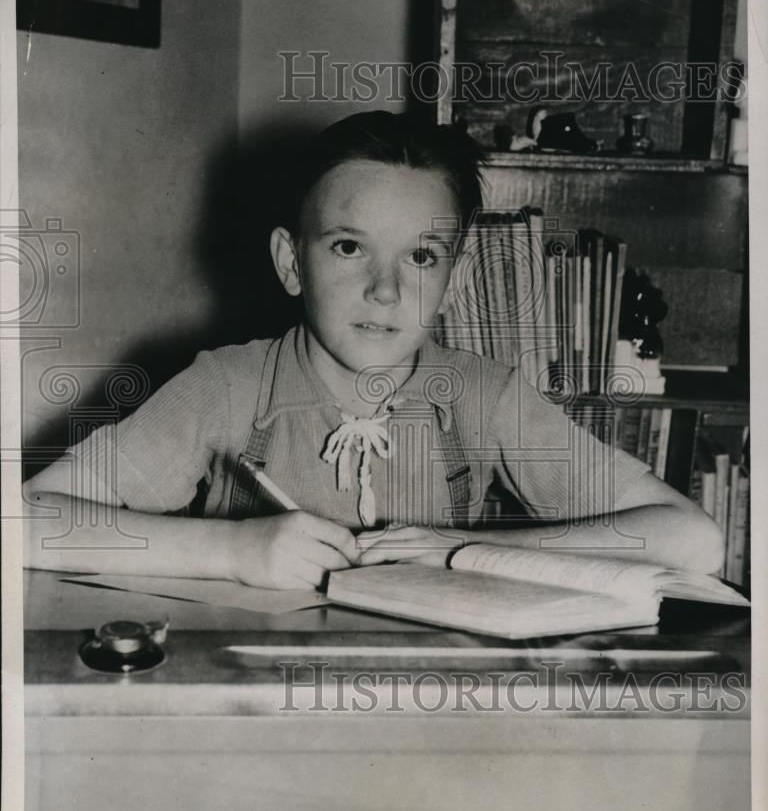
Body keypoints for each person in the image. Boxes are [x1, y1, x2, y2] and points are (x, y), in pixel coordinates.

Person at [23, 111, 724, 588]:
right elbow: (24, 524)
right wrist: (232, 550)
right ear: (292, 263)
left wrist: (471, 552)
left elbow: (692, 540)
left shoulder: (486, 396)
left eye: (421, 257)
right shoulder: (227, 386)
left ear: (454, 281)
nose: (385, 290)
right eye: (350, 247)